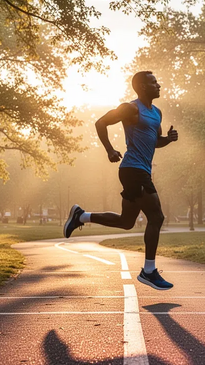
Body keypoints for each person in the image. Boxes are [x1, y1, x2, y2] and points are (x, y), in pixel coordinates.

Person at [63, 71, 178, 291]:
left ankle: (81, 216)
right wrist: (109, 150)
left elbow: (155, 142)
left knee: (126, 222)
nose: (159, 85)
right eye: (154, 82)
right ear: (142, 87)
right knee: (157, 216)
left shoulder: (157, 113)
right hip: (132, 169)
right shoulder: (130, 108)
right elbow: (100, 123)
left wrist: (168, 140)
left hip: (141, 170)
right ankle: (149, 270)